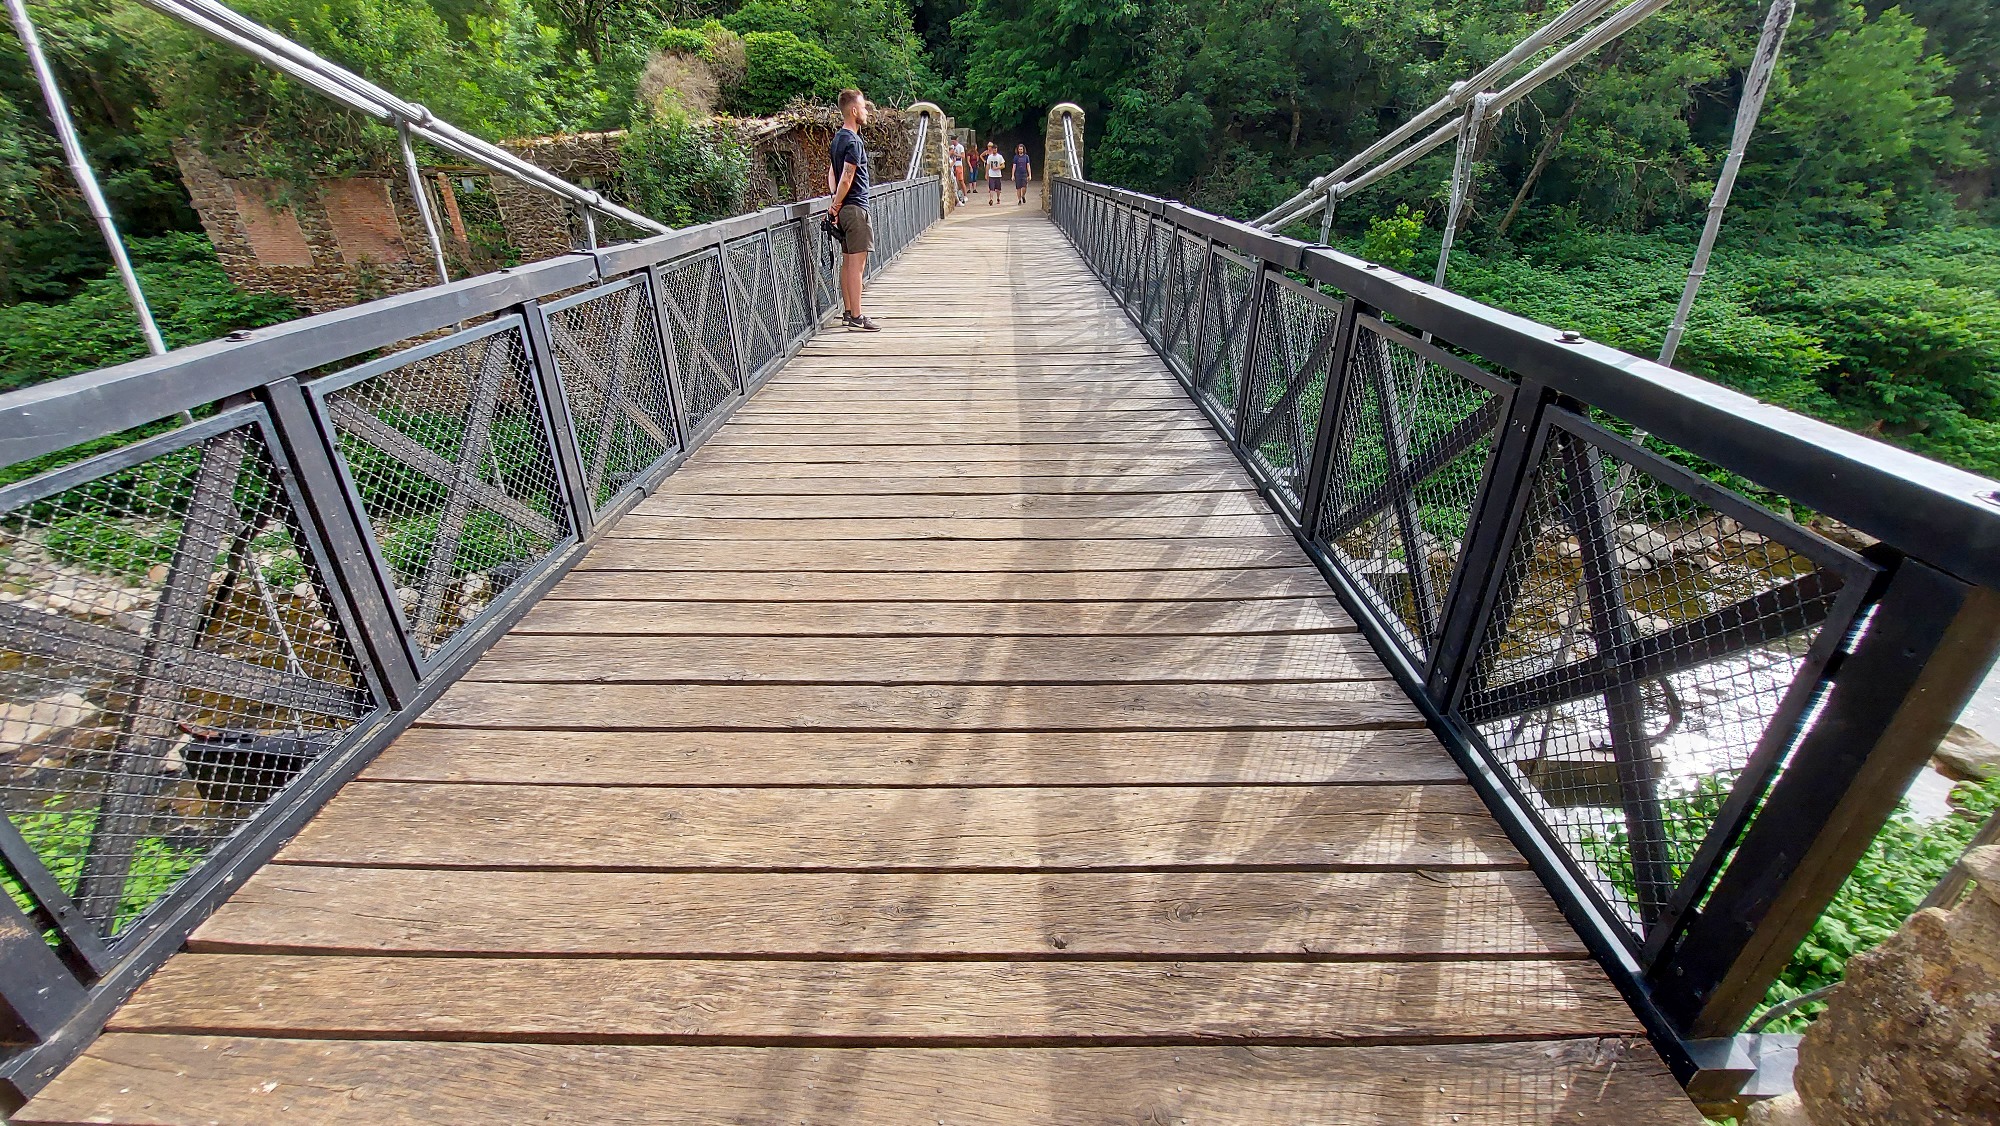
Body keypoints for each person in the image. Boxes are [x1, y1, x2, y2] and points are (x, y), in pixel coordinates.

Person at [826, 88, 877, 331]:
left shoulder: (837, 139)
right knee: (857, 266)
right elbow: (847, 177)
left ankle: (847, 312)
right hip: (855, 207)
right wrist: (837, 204)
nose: (866, 111)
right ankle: (857, 317)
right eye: (864, 107)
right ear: (854, 111)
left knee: (847, 263)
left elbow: (832, 174)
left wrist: (835, 204)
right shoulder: (854, 141)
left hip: (844, 209)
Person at [983, 142, 1005, 206]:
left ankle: (998, 198)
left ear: (997, 149)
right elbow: (988, 165)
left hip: (998, 175)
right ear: (992, 150)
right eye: (993, 149)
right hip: (991, 175)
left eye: (995, 149)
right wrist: (986, 173)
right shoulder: (989, 157)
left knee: (998, 189)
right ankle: (991, 199)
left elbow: (1003, 165)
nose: (994, 151)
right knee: (991, 188)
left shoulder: (1000, 157)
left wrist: (997, 167)